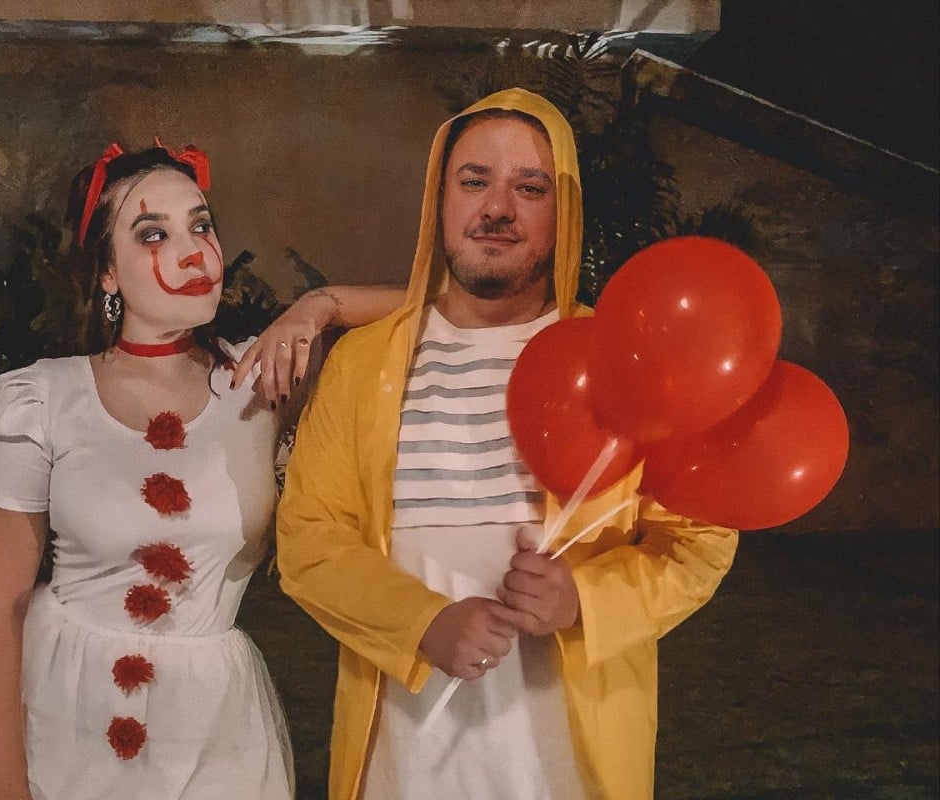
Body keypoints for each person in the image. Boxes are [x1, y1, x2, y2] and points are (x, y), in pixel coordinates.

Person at [276, 88, 740, 800]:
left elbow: (698, 542)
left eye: (529, 188)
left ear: (565, 213)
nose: (497, 209)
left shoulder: (623, 362)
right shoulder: (365, 364)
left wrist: (584, 599)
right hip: (403, 767)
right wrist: (423, 622)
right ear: (440, 201)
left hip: (571, 772)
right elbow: (309, 541)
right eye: (474, 183)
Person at [0, 141, 404, 800]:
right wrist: (6, 792)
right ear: (107, 272)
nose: (193, 251)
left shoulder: (260, 375)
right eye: (153, 232)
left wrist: (318, 307)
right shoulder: (44, 399)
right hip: (64, 722)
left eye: (201, 224)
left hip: (216, 729)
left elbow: (439, 314)